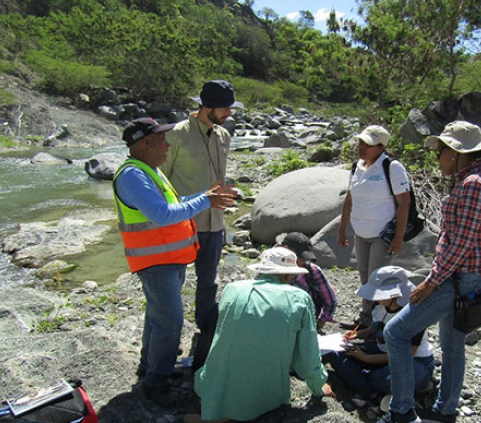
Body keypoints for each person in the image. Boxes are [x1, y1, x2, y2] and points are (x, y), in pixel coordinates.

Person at [381, 121, 481, 423]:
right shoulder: (471, 180)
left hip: (461, 278)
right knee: (452, 346)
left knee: (395, 332)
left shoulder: (473, 185)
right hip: (466, 275)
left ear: (457, 153)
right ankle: (445, 411)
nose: (437, 158)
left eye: (440, 152)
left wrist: (429, 282)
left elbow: (460, 244)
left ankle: (400, 411)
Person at [112, 117, 235, 408]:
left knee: (158, 316)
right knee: (169, 321)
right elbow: (163, 215)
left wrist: (207, 197)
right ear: (145, 144)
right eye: (162, 140)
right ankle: (156, 383)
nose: (168, 145)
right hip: (155, 261)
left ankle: (149, 366)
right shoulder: (133, 175)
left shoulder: (149, 171)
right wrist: (204, 201)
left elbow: (174, 205)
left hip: (167, 257)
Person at [190, 247, 335, 422]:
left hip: (213, 384)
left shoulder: (233, 289)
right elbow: (307, 356)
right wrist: (319, 386)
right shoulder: (299, 298)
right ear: (289, 275)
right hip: (263, 397)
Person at [161, 80, 243, 337]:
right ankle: (168, 333)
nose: (229, 114)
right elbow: (160, 181)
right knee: (174, 283)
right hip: (183, 222)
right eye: (225, 109)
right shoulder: (175, 135)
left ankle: (206, 328)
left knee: (208, 280)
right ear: (207, 106)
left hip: (215, 222)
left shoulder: (224, 135)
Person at [337, 125, 412, 328]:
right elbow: (349, 199)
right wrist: (342, 228)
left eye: (367, 144)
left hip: (382, 234)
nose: (362, 147)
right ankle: (366, 318)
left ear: (381, 147)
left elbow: (404, 203)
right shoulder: (357, 167)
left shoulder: (392, 167)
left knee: (377, 280)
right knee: (365, 278)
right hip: (361, 233)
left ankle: (377, 323)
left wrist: (398, 238)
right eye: (361, 142)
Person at [326, 266, 434, 405]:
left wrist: (366, 358)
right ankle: (374, 392)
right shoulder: (378, 307)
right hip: (381, 350)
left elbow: (406, 355)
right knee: (337, 353)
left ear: (395, 295)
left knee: (381, 379)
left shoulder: (413, 316)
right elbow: (373, 330)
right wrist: (357, 334)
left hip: (415, 361)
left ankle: (367, 386)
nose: (376, 299)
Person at [281, 232, 337, 332]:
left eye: (305, 258)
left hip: (305, 326)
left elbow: (330, 301)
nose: (303, 262)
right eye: (300, 257)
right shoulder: (268, 270)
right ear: (286, 249)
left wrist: (317, 326)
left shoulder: (313, 271)